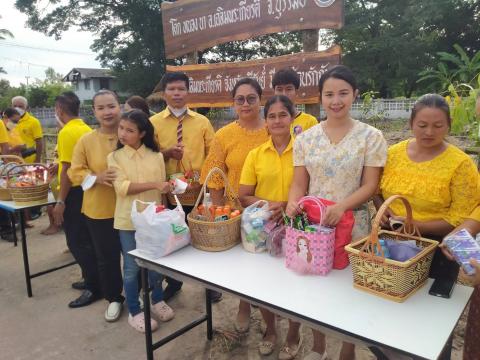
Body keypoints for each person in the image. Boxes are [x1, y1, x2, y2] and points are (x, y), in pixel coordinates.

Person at [286, 65, 387, 360]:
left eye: (343, 93)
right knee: (316, 286)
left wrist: (341, 206)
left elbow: (371, 185)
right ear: (320, 97)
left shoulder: (371, 137)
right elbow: (299, 183)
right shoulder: (306, 138)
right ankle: (318, 346)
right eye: (329, 94)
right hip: (315, 226)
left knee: (349, 291)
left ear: (354, 95)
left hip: (354, 225)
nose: (336, 100)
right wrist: (294, 202)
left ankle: (347, 350)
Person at [374, 93, 479, 282]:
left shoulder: (461, 164)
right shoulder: (393, 154)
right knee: (387, 290)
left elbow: (461, 218)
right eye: (422, 125)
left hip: (437, 248)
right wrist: (381, 208)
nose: (429, 132)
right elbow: (376, 190)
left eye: (437, 126)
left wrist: (416, 226)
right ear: (411, 123)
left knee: (430, 303)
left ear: (449, 124)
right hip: (389, 239)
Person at [201, 77, 269, 333]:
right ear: (233, 103)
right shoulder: (224, 134)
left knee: (268, 266)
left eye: (251, 98)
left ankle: (269, 311)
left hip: (272, 209)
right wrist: (221, 215)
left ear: (260, 100)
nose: (246, 103)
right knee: (244, 265)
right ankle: (244, 305)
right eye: (240, 99)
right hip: (237, 211)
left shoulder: (273, 128)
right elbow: (215, 176)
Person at [239, 95, 301, 359]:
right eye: (272, 116)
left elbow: (312, 189)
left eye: (282, 115)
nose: (277, 120)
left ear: (292, 117)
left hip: (298, 226)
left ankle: (293, 333)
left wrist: (287, 203)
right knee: (263, 285)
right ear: (266, 121)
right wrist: (269, 204)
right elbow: (244, 195)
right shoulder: (256, 154)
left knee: (296, 284)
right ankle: (271, 330)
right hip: (263, 229)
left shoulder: (305, 150)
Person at [108, 109, 175, 333]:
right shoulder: (115, 157)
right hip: (128, 222)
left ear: (142, 133)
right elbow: (122, 188)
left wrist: (166, 201)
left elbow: (162, 188)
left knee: (155, 264)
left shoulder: (155, 156)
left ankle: (157, 300)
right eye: (121, 128)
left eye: (130, 130)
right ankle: (135, 311)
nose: (123, 133)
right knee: (131, 268)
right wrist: (155, 185)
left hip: (154, 221)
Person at [150, 72, 215, 301]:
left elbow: (212, 154)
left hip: (196, 191)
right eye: (171, 89)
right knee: (173, 238)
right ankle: (175, 282)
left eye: (181, 89)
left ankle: (210, 286)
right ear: (164, 93)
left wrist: (206, 184)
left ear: (188, 92)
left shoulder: (202, 122)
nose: (176, 93)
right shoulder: (153, 123)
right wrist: (167, 153)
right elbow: (147, 154)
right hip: (168, 192)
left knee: (201, 237)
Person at [68, 90, 125, 321]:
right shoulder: (87, 140)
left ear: (119, 106)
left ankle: (136, 294)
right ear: (94, 112)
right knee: (107, 256)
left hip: (131, 207)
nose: (107, 112)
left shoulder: (131, 133)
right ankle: (113, 298)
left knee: (135, 255)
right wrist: (96, 177)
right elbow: (75, 171)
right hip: (99, 209)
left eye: (111, 106)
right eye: (101, 108)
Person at [50, 91, 101, 309]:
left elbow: (68, 171)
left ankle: (94, 286)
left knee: (76, 241)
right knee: (87, 239)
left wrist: (61, 202)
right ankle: (91, 278)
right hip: (88, 189)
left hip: (75, 190)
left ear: (60, 110)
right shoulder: (86, 129)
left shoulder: (66, 132)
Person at [272, 68, 318, 137]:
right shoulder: (270, 122)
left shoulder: (310, 122)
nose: (284, 94)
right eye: (279, 89)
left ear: (296, 92)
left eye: (289, 89)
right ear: (274, 92)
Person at [11, 96, 43, 163]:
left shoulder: (33, 122)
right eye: (15, 106)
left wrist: (37, 159)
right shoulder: (7, 121)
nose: (17, 108)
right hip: (11, 162)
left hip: (29, 161)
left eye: (20, 106)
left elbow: (39, 142)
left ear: (26, 108)